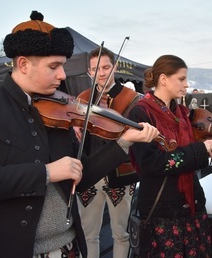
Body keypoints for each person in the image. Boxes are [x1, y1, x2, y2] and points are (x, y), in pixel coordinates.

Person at [0, 10, 159, 258]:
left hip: (67, 248)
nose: (62, 75)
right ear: (23, 64)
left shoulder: (59, 108)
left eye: (62, 65)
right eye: (54, 66)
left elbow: (79, 175)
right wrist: (45, 172)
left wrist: (124, 142)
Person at [128, 55, 212, 257]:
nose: (186, 85)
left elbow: (191, 155)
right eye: (181, 79)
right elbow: (151, 163)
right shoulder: (141, 113)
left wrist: (207, 149)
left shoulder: (182, 113)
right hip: (162, 209)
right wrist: (198, 150)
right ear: (163, 79)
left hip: (190, 204)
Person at [75, 47, 142, 258]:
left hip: (120, 173)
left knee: (121, 233)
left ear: (114, 67)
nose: (101, 73)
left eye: (105, 67)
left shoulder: (132, 98)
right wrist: (73, 127)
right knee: (88, 234)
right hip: (89, 173)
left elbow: (137, 134)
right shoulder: (83, 98)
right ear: (88, 72)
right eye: (95, 69)